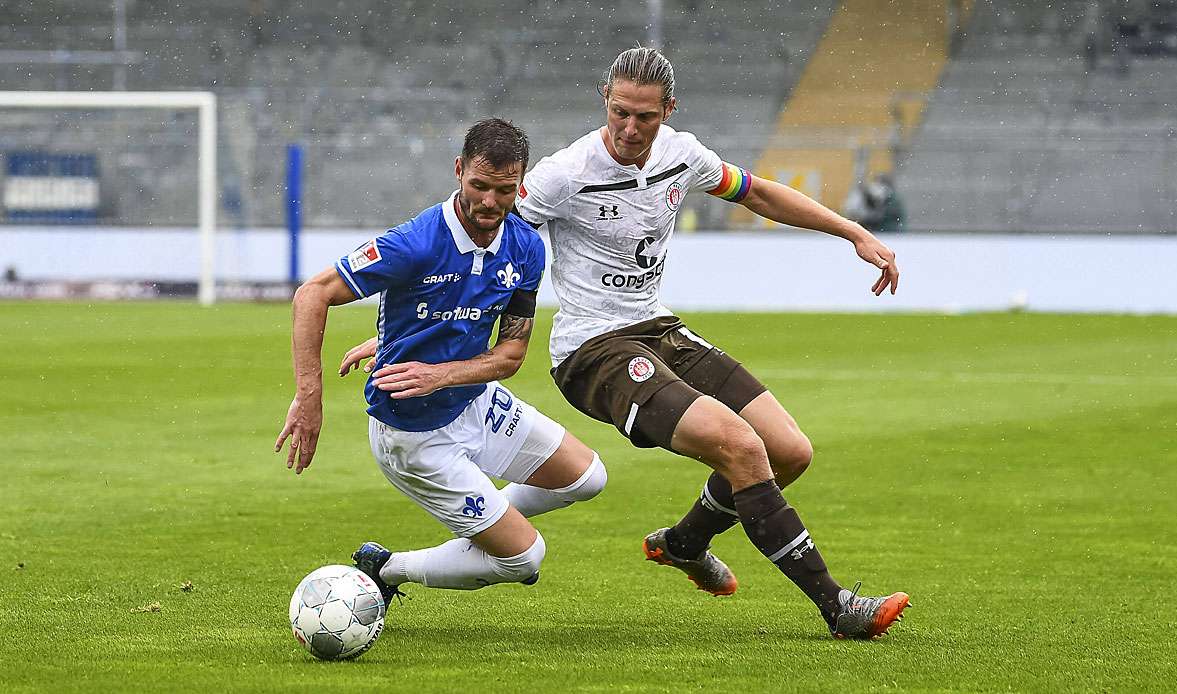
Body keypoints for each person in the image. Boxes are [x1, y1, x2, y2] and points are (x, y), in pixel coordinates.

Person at [350, 48, 910, 639]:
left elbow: (758, 193)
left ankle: (686, 542)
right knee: (740, 447)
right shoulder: (562, 175)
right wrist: (400, 334)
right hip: (592, 348)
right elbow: (485, 242)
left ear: (669, 110)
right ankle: (838, 607)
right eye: (619, 112)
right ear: (605, 101)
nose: (629, 128)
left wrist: (852, 232)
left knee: (790, 451)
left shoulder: (682, 155)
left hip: (656, 327)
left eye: (645, 116)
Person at [276, 119, 606, 608]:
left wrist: (437, 370)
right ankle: (389, 568)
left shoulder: (527, 247)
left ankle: (487, 527)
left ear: (521, 182)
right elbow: (313, 294)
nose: (489, 202)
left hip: (474, 400)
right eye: (478, 185)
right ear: (458, 171)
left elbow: (512, 352)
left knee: (587, 478)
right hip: (414, 434)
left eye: (504, 190)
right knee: (525, 558)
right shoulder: (414, 243)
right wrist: (309, 397)